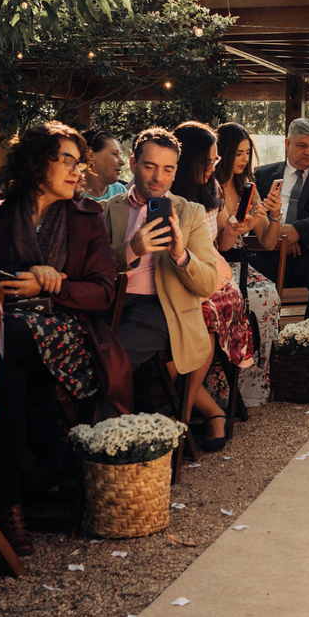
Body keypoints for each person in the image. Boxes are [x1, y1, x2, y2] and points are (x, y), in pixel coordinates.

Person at [0, 121, 131, 555]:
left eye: (80, 162)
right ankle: (12, 503)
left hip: (68, 334)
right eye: (67, 161)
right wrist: (19, 279)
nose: (77, 172)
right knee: (9, 374)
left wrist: (54, 286)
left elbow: (105, 291)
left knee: (5, 342)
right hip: (3, 333)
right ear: (39, 163)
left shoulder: (86, 217)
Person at [102, 127, 228, 449]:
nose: (158, 177)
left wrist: (180, 255)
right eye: (150, 166)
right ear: (133, 163)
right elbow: (94, 267)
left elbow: (208, 283)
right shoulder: (109, 208)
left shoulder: (190, 212)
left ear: (175, 172)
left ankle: (104, 450)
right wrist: (132, 249)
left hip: (160, 309)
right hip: (109, 303)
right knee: (87, 358)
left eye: (168, 169)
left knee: (109, 362)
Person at [170, 122, 259, 436]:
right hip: (173, 277)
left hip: (213, 277)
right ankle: (209, 411)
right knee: (171, 332)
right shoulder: (165, 195)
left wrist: (234, 230)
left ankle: (178, 417)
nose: (212, 167)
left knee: (204, 318)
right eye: (207, 161)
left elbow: (221, 242)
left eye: (215, 161)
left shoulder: (213, 189)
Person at [250, 118, 309, 328]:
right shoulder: (262, 175)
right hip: (269, 251)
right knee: (242, 272)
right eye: (302, 146)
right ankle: (261, 339)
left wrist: (297, 230)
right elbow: (255, 211)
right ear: (287, 144)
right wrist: (280, 234)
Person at [214, 122, 283, 406]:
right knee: (250, 299)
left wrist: (275, 215)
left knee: (268, 294)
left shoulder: (247, 189)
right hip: (218, 261)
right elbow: (219, 245)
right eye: (238, 153)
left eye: (247, 153)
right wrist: (235, 229)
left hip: (243, 263)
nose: (244, 159)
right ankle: (225, 389)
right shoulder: (211, 189)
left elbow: (268, 242)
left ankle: (254, 386)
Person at [82, 130, 127, 201]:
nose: (122, 162)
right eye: (115, 154)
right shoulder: (71, 194)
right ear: (90, 156)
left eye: (119, 155)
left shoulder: (120, 191)